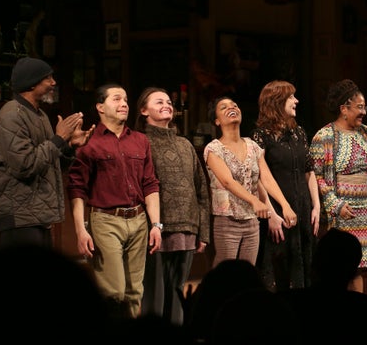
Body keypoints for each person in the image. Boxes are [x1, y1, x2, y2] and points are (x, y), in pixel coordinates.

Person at [67, 83, 162, 320]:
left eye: (126, 100)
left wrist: (156, 225)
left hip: (139, 221)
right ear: (100, 107)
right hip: (106, 221)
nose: (124, 104)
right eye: (117, 99)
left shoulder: (140, 140)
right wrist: (80, 230)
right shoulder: (90, 143)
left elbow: (150, 184)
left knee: (133, 292)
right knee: (113, 293)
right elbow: (77, 189)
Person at [0, 57, 93, 247]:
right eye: (48, 78)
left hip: (36, 216)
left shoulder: (39, 114)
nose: (54, 83)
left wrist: (68, 145)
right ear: (32, 83)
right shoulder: (11, 115)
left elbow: (49, 163)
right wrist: (59, 139)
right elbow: (25, 166)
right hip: (19, 217)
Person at [134, 87, 211, 326]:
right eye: (159, 102)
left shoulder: (185, 144)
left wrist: (203, 232)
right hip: (155, 231)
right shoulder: (139, 142)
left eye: (169, 101)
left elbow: (201, 191)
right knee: (154, 295)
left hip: (187, 228)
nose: (167, 104)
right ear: (143, 110)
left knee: (178, 294)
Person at [310, 78, 367, 286]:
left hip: (364, 212)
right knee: (339, 268)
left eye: (365, 107)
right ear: (344, 109)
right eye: (359, 107)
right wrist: (336, 205)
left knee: (358, 268)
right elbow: (316, 176)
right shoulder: (324, 136)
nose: (364, 112)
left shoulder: (365, 132)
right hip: (340, 214)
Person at [203, 95, 295, 268]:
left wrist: (284, 205)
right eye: (224, 107)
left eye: (235, 105)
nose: (232, 108)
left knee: (247, 272)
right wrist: (255, 201)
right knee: (224, 274)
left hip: (251, 221)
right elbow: (227, 182)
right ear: (216, 121)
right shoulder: (214, 148)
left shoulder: (252, 146)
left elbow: (266, 177)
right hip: (227, 220)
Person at [251, 80, 320, 291]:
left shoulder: (298, 132)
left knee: (306, 265)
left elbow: (309, 171)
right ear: (277, 101)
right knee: (280, 267)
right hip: (278, 210)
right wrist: (271, 214)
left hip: (303, 207)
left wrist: (316, 206)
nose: (296, 101)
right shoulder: (261, 135)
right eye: (291, 97)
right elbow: (260, 179)